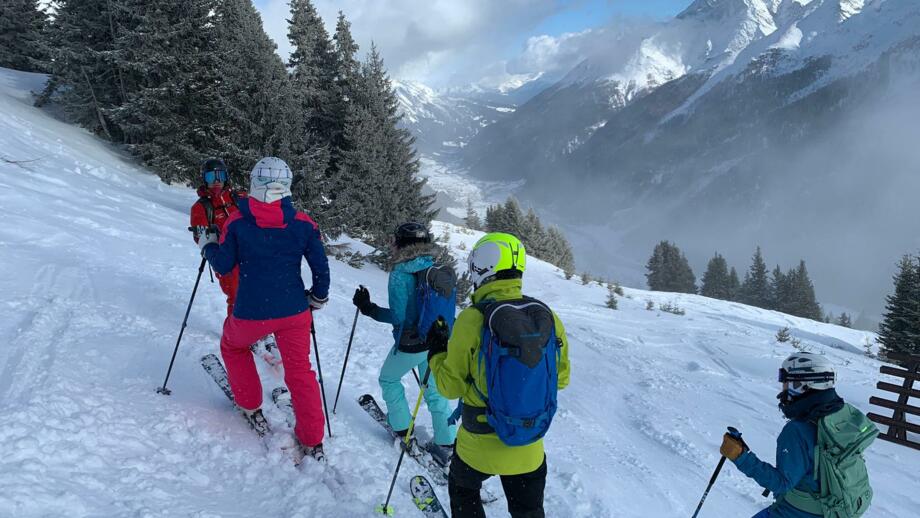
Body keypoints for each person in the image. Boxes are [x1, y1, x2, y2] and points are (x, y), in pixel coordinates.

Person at [427, 232, 571, 518]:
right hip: (529, 445)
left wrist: (436, 353)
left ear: (483, 266)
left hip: (478, 445)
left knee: (462, 488)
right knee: (528, 511)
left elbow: (449, 387)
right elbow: (561, 378)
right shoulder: (546, 316)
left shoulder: (473, 318)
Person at [199, 157, 330, 460]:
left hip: (251, 310)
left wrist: (208, 245)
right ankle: (312, 437)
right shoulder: (303, 224)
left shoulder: (237, 222)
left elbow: (223, 263)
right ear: (287, 186)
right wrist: (317, 298)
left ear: (254, 183)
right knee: (300, 371)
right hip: (294, 310)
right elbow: (321, 270)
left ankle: (249, 404)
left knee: (233, 347)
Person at [720, 352, 876, 518]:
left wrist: (740, 456)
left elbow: (781, 483)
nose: (783, 388)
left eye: (787, 382)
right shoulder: (838, 415)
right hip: (834, 509)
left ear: (803, 385)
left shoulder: (798, 430)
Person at [351, 222, 457, 458]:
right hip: (437, 340)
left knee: (388, 379)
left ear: (401, 244)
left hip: (412, 343)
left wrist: (369, 309)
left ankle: (402, 429)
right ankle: (447, 442)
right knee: (433, 390)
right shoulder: (433, 267)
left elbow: (399, 318)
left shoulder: (401, 273)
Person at [190, 158, 243, 317]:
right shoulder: (201, 207)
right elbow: (201, 237)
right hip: (225, 256)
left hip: (249, 252)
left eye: (220, 176)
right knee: (236, 295)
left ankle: (260, 330)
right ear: (204, 180)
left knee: (259, 291)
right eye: (211, 177)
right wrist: (215, 241)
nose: (216, 181)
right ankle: (237, 337)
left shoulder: (238, 198)